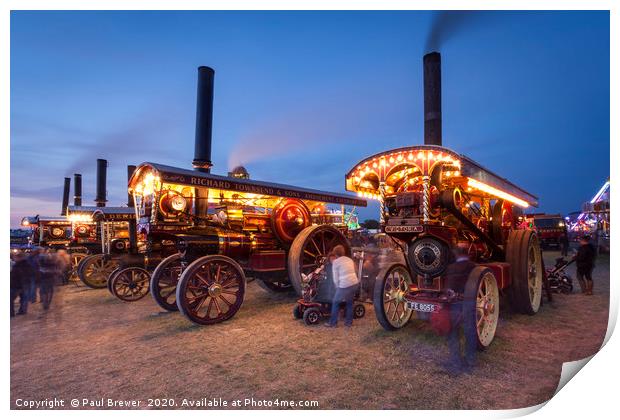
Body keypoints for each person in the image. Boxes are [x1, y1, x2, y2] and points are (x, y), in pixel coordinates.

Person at [442, 242, 477, 375]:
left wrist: (445, 303)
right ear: (468, 253)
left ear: (455, 253)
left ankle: (456, 361)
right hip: (470, 304)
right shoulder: (474, 267)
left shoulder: (451, 268)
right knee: (470, 331)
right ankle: (470, 360)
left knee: (452, 333)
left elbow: (448, 289)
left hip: (455, 305)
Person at [325, 245, 360, 328]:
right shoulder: (349, 260)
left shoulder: (336, 262)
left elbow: (335, 278)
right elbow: (355, 271)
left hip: (344, 285)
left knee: (335, 302)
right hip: (354, 283)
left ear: (335, 254)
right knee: (349, 303)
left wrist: (337, 287)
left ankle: (333, 323)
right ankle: (348, 323)